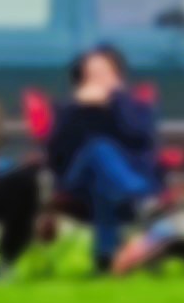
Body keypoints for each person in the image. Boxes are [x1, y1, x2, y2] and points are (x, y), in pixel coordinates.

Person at [46, 46, 177, 275]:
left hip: (113, 185)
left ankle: (106, 259)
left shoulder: (133, 107)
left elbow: (141, 139)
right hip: (77, 183)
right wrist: (79, 108)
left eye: (105, 73)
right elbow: (57, 154)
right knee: (98, 150)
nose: (99, 80)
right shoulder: (68, 109)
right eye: (92, 75)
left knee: (104, 183)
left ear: (118, 76)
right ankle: (143, 202)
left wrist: (115, 102)